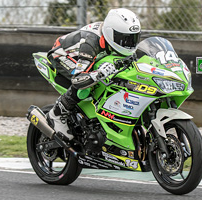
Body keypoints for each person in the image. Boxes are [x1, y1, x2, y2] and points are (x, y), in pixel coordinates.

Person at [46, 8, 141, 141]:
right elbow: (78, 79)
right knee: (86, 86)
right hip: (62, 54)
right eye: (125, 39)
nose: (130, 44)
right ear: (110, 34)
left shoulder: (121, 43)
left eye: (133, 39)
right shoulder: (90, 43)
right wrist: (100, 73)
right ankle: (57, 113)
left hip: (91, 57)